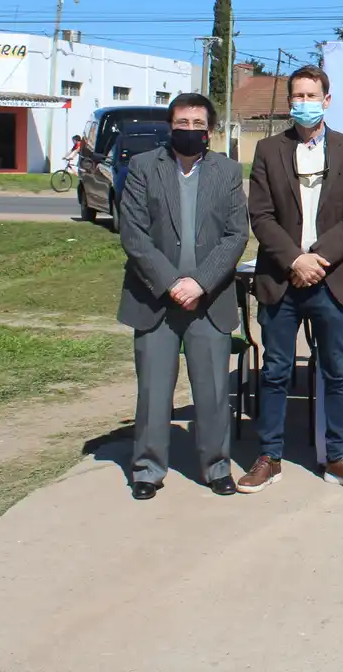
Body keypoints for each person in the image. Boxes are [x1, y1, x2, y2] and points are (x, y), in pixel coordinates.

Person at [240, 65, 343, 494]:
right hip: (282, 280)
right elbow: (260, 216)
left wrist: (316, 259)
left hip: (332, 279)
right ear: (289, 102)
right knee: (277, 371)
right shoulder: (268, 150)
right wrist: (295, 260)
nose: (304, 103)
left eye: (311, 95)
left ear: (327, 99)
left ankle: (337, 457)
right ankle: (269, 456)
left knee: (337, 372)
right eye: (297, 96)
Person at [116, 92, 248, 501]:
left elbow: (236, 235)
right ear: (169, 126)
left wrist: (200, 283)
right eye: (181, 123)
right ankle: (147, 469)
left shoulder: (226, 172)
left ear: (210, 131)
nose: (189, 130)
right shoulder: (142, 168)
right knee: (154, 392)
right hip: (155, 299)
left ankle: (216, 467)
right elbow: (133, 234)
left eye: (197, 125)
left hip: (209, 300)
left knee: (211, 392)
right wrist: (172, 283)